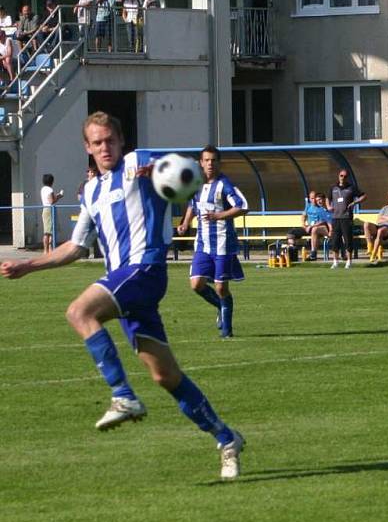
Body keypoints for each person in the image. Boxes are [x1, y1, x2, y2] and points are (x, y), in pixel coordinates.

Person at [0, 112, 245, 479]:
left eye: (110, 140)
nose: (104, 148)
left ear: (121, 141)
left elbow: (191, 172)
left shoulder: (137, 162)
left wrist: (164, 173)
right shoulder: (92, 193)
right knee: (166, 376)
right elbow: (76, 247)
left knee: (79, 312)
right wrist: (29, 266)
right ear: (87, 148)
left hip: (145, 269)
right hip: (126, 284)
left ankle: (123, 395)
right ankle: (227, 439)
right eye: (97, 143)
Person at [177, 145, 248, 339]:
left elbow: (243, 206)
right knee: (196, 284)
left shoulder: (225, 185)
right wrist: (185, 223)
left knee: (220, 287)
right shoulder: (197, 184)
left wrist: (220, 215)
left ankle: (227, 331)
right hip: (202, 243)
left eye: (213, 160)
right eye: (206, 160)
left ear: (218, 162)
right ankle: (220, 306)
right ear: (201, 163)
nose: (210, 163)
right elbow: (193, 205)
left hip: (223, 244)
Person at [326, 169, 364, 269]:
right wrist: (328, 206)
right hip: (335, 217)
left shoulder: (351, 188)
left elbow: (363, 196)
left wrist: (354, 203)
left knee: (348, 239)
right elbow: (328, 198)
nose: (343, 177)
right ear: (338, 176)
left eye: (345, 176)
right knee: (335, 240)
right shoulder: (333, 187)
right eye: (341, 175)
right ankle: (335, 262)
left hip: (346, 217)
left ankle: (349, 261)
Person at [364, 188, 388, 263]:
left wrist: (383, 217)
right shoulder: (384, 208)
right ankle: (370, 247)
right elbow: (378, 220)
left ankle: (373, 255)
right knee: (366, 224)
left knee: (380, 231)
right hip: (380, 226)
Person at [301, 190, 331, 261]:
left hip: (323, 227)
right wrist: (303, 225)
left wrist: (311, 226)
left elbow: (324, 221)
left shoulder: (323, 207)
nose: (315, 201)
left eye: (316, 198)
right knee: (292, 233)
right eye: (312, 198)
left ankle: (313, 253)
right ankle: (291, 250)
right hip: (309, 227)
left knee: (315, 229)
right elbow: (303, 215)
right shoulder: (308, 206)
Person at [40, 173, 63, 254]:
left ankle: (48, 250)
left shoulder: (43, 189)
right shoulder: (49, 190)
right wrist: (59, 196)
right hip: (49, 210)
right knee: (49, 231)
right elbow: (52, 201)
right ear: (51, 181)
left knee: (47, 231)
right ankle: (47, 250)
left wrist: (55, 196)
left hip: (45, 209)